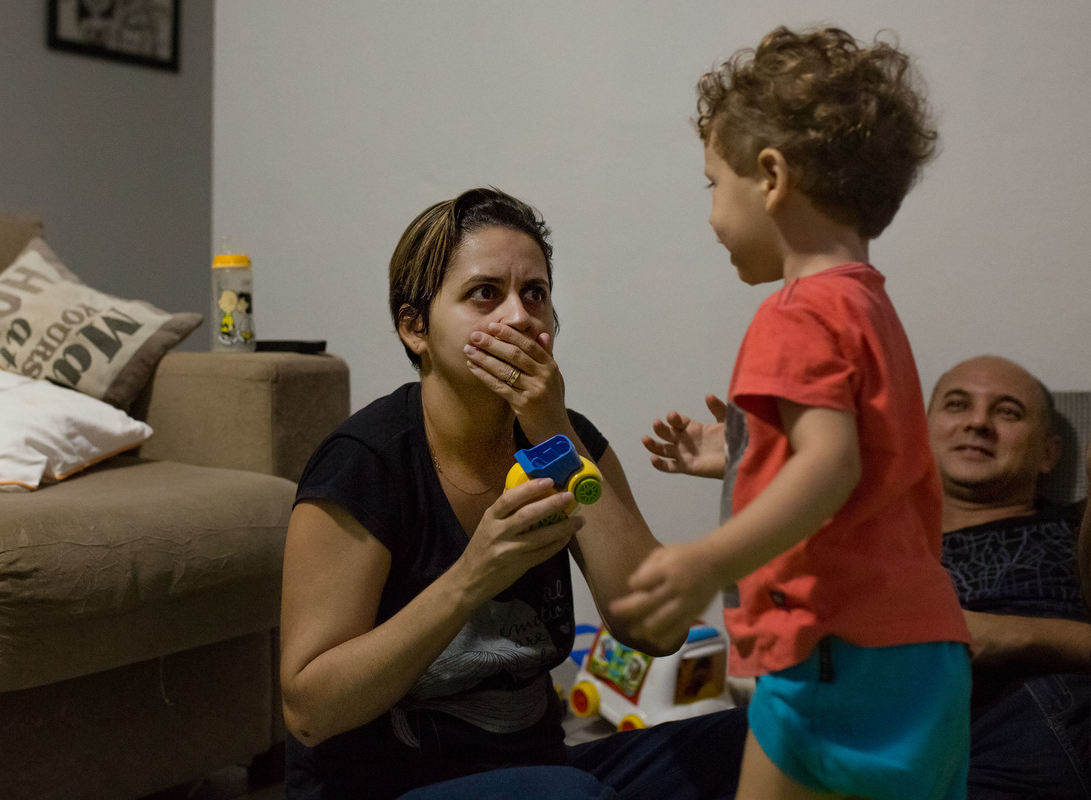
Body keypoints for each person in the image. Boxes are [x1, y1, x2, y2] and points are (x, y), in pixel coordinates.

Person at [278, 187, 747, 800]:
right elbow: (309, 710)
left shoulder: (569, 439)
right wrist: (472, 576)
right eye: (484, 294)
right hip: (383, 787)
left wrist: (555, 431)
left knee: (771, 738)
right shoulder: (365, 465)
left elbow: (657, 631)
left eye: (536, 294)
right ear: (414, 327)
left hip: (541, 769)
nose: (520, 317)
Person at [611, 26, 972, 799]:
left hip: (831, 644)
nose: (711, 213)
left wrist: (710, 558)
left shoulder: (795, 312)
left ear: (770, 176)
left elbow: (831, 464)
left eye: (712, 183)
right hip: (924, 650)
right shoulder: (869, 306)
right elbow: (862, 456)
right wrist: (740, 451)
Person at [928, 354, 1091, 799]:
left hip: (1027, 709)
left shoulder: (1079, 527)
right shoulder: (866, 535)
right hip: (874, 713)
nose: (978, 423)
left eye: (1007, 412)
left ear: (1048, 453)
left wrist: (1015, 634)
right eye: (958, 405)